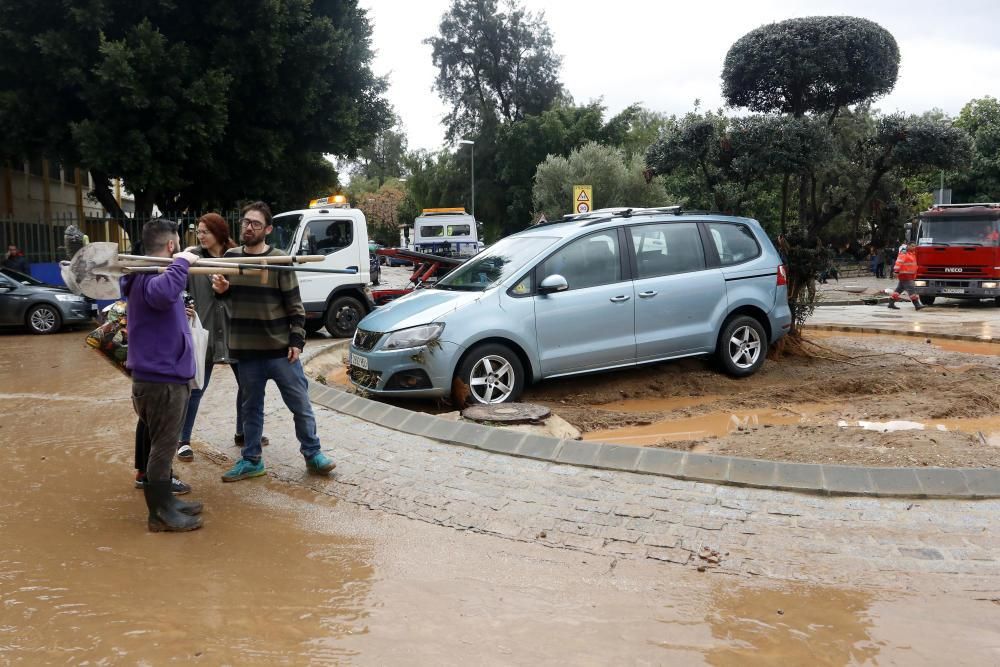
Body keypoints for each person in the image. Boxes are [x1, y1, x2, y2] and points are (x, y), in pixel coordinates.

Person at [211, 201, 336, 482]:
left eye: (255, 223)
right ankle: (252, 459)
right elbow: (225, 298)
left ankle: (313, 454)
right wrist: (221, 291)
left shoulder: (280, 260)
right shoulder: (230, 258)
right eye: (245, 222)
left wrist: (297, 341)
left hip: (281, 351)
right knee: (250, 409)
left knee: (300, 404)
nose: (248, 227)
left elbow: (295, 306)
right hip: (246, 351)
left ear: (267, 229)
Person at [122, 218, 204, 531]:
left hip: (160, 377)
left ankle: (166, 503)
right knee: (164, 447)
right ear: (171, 246)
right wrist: (182, 262)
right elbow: (162, 294)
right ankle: (159, 515)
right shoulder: (150, 277)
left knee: (163, 445)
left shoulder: (145, 273)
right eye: (178, 247)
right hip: (161, 381)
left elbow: (162, 299)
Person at [175, 213, 268, 462]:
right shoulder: (191, 258)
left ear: (218, 232)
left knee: (247, 385)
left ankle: (243, 432)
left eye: (206, 231)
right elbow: (178, 288)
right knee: (196, 387)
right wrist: (185, 305)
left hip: (232, 329)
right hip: (203, 330)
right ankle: (183, 440)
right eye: (199, 231)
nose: (201, 236)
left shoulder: (236, 257)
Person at [888, 243, 924, 311]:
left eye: (915, 246)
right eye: (912, 246)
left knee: (899, 289)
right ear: (908, 246)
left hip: (909, 274)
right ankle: (917, 304)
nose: (914, 247)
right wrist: (896, 271)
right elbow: (899, 262)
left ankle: (891, 302)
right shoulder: (904, 253)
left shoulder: (912, 253)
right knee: (912, 289)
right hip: (905, 274)